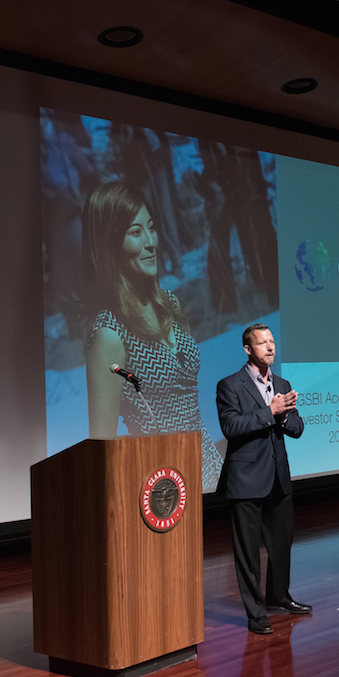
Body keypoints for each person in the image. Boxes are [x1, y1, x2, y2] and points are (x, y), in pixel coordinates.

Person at [81, 180, 225, 492]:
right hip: (163, 490)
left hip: (211, 472)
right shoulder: (109, 335)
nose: (151, 242)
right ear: (110, 245)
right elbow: (100, 452)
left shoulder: (169, 303)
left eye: (151, 228)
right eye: (136, 232)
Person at [216, 323, 308, 635]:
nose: (270, 347)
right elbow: (231, 426)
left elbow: (297, 428)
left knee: (282, 541)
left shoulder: (282, 383)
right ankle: (255, 613)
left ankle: (278, 596)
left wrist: (284, 414)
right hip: (245, 479)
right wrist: (270, 410)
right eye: (262, 343)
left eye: (272, 342)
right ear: (247, 349)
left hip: (278, 477)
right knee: (248, 551)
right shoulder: (230, 385)